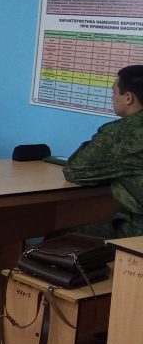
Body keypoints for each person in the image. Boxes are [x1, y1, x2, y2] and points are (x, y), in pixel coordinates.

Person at [63, 65, 143, 238]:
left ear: (128, 97)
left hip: (136, 236)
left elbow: (75, 171)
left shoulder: (121, 133)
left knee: (61, 236)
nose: (112, 97)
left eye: (114, 92)